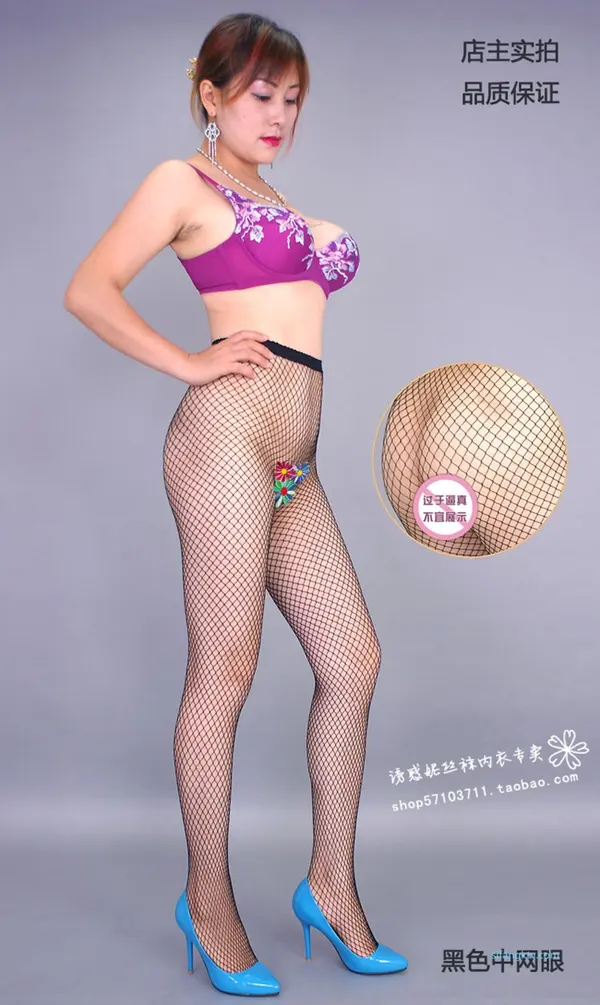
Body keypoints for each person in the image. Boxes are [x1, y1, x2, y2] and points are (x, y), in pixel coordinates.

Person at [64, 12, 408, 997]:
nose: (280, 114)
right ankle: (208, 905)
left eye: (293, 99)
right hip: (226, 440)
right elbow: (90, 289)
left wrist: (316, 238)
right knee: (225, 672)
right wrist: (187, 362)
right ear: (211, 95)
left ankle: (329, 888)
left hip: (294, 461)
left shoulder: (274, 196)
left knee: (353, 659)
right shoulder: (182, 182)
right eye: (262, 94)